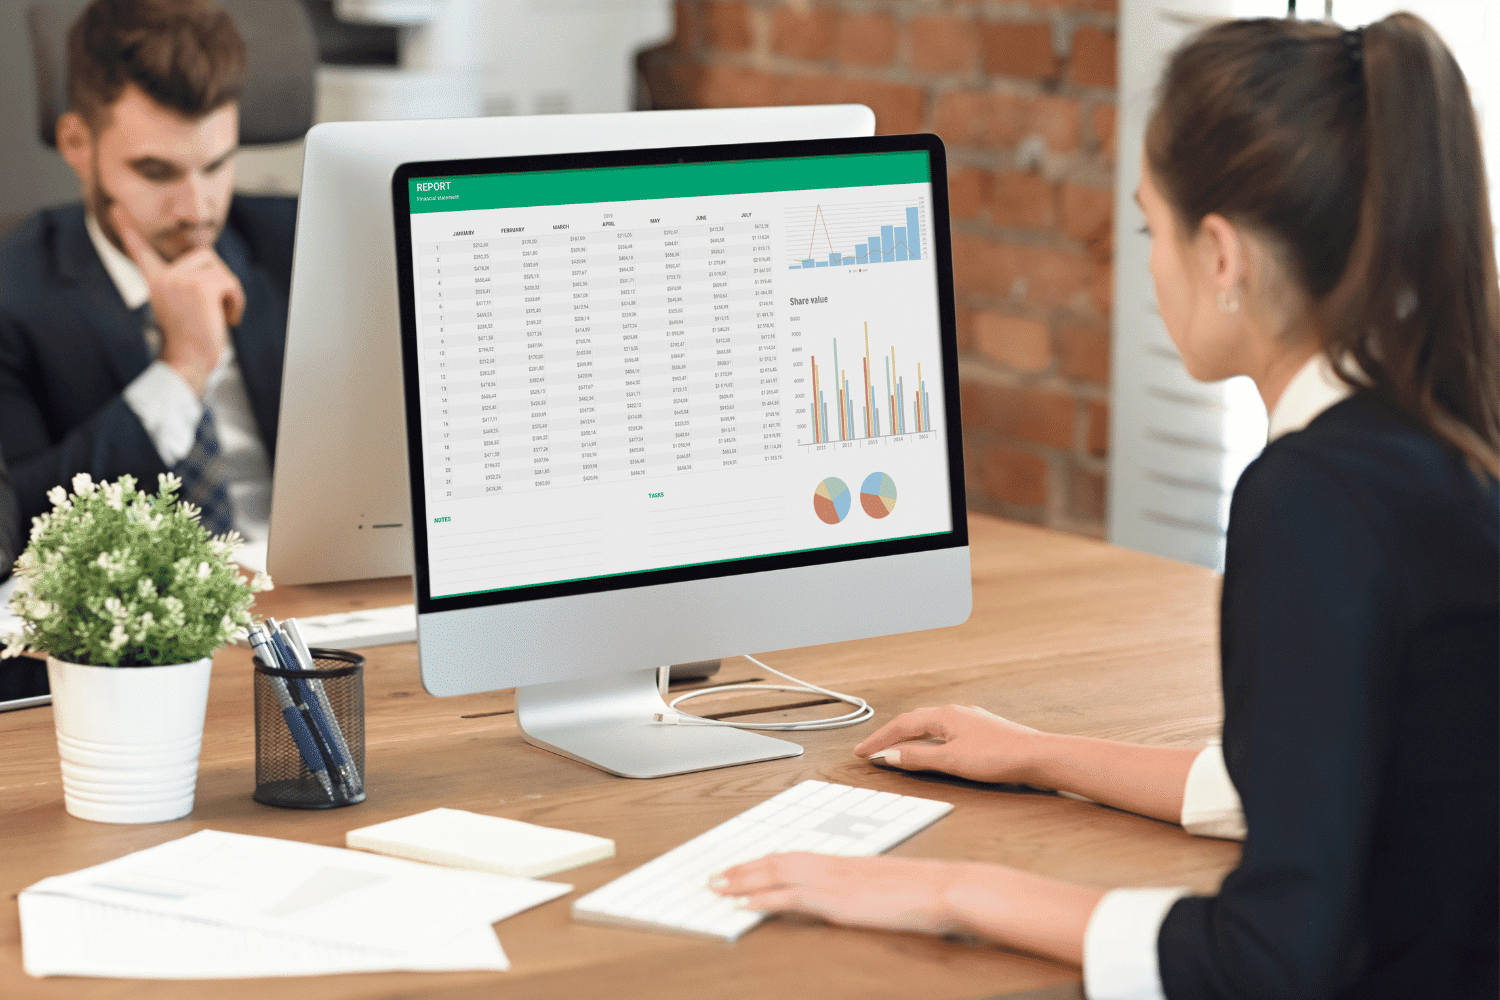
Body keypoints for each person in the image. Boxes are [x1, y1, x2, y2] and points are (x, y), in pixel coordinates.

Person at [713, 13, 1498, 999]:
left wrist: (952, 891)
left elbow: (1275, 955)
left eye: (1148, 227)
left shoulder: (1314, 501)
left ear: (1221, 256)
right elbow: (1338, 780)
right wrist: (1040, 755)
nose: (1147, 262)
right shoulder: (1441, 442)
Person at [0, 0, 293, 561]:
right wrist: (181, 370)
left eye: (215, 166)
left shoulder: (298, 245)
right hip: (136, 628)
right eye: (156, 172)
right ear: (77, 145)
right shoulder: (14, 292)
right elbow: (19, 525)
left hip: (316, 601)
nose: (196, 209)